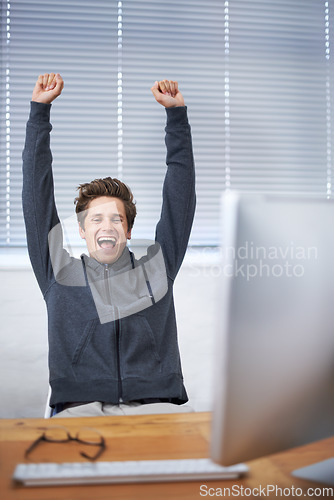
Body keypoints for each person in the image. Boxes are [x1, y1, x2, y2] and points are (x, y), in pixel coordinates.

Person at [22, 73, 196, 417]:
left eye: (116, 219)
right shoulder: (58, 273)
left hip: (157, 405)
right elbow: (35, 196)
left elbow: (180, 197)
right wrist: (39, 113)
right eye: (96, 219)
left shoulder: (156, 271)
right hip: (79, 408)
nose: (107, 226)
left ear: (128, 230)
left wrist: (177, 117)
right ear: (82, 231)